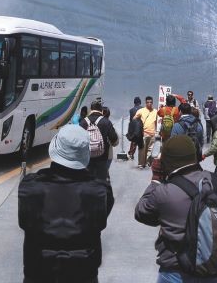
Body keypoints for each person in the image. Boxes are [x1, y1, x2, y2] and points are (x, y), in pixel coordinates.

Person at [18, 123, 115, 282]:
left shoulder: (29, 187)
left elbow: (24, 222)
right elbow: (100, 219)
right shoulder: (100, 190)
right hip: (83, 275)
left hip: (38, 274)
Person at [134, 135, 217, 283]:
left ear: (167, 161)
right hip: (212, 269)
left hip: (176, 270)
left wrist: (156, 179)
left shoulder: (164, 192)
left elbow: (142, 213)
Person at [82, 101, 118, 180]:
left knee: (88, 179)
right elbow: (114, 139)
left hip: (87, 158)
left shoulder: (83, 122)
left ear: (91, 109)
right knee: (101, 180)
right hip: (102, 158)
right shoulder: (106, 121)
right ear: (101, 110)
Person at [134, 96, 158, 168]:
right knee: (142, 149)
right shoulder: (141, 111)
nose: (149, 104)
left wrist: (156, 131)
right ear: (145, 103)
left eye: (151, 102)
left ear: (152, 103)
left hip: (152, 133)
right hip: (143, 133)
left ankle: (147, 163)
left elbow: (156, 122)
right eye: (148, 102)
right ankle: (141, 164)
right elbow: (134, 119)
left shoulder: (155, 111)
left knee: (150, 150)